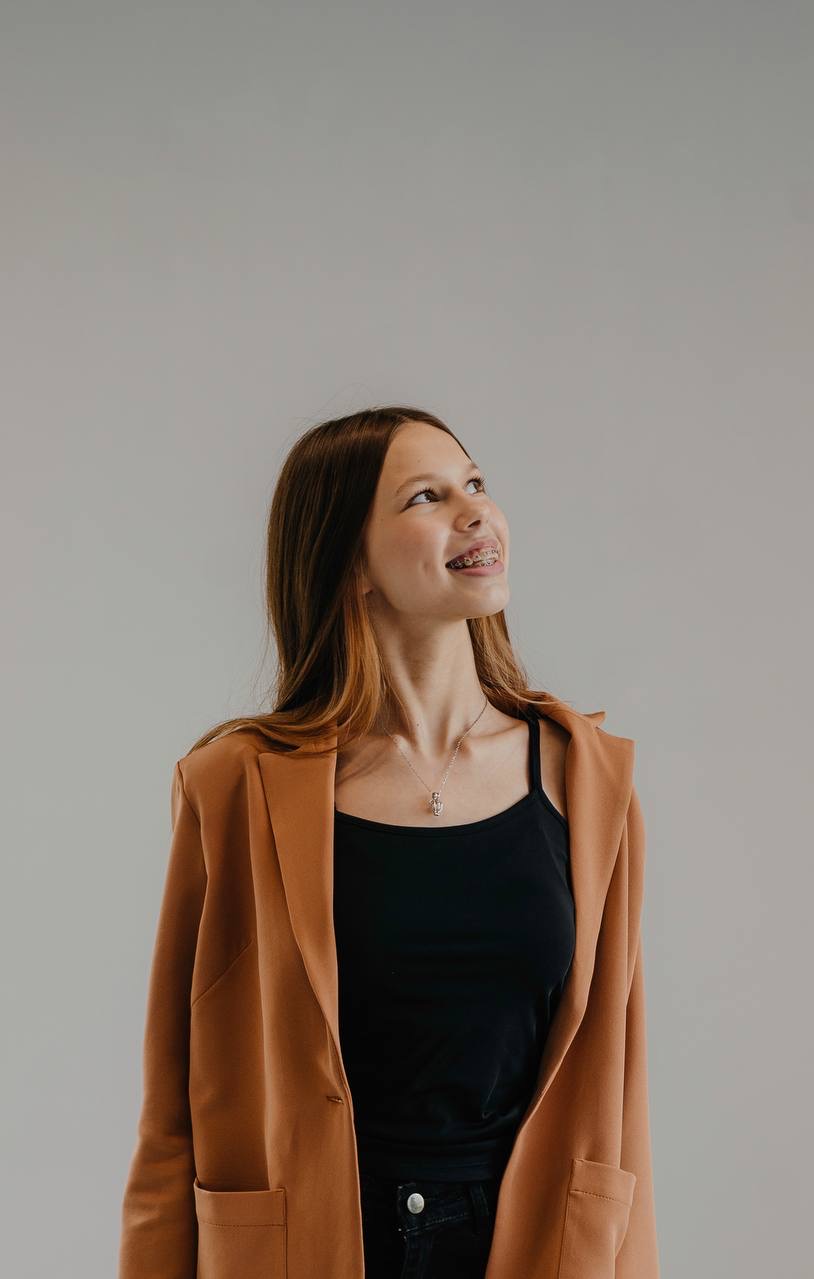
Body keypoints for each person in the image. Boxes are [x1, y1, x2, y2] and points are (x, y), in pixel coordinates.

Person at [118, 405, 660, 1279]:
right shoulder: (235, 787)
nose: (475, 512)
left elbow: (617, 1101)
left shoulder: (588, 781)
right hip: (309, 1246)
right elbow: (171, 1113)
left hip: (526, 1245)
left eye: (475, 483)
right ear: (351, 563)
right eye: (426, 497)